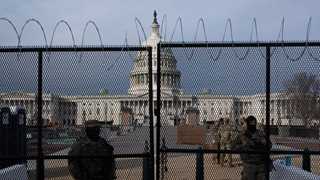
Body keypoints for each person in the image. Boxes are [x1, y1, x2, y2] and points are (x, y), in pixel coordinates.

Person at [233, 116, 272, 180]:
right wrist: (244, 146)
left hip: (261, 165)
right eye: (251, 123)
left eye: (254, 123)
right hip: (248, 165)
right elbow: (233, 147)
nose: (252, 125)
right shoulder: (242, 135)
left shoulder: (261, 133)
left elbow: (270, 145)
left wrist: (262, 144)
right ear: (247, 124)